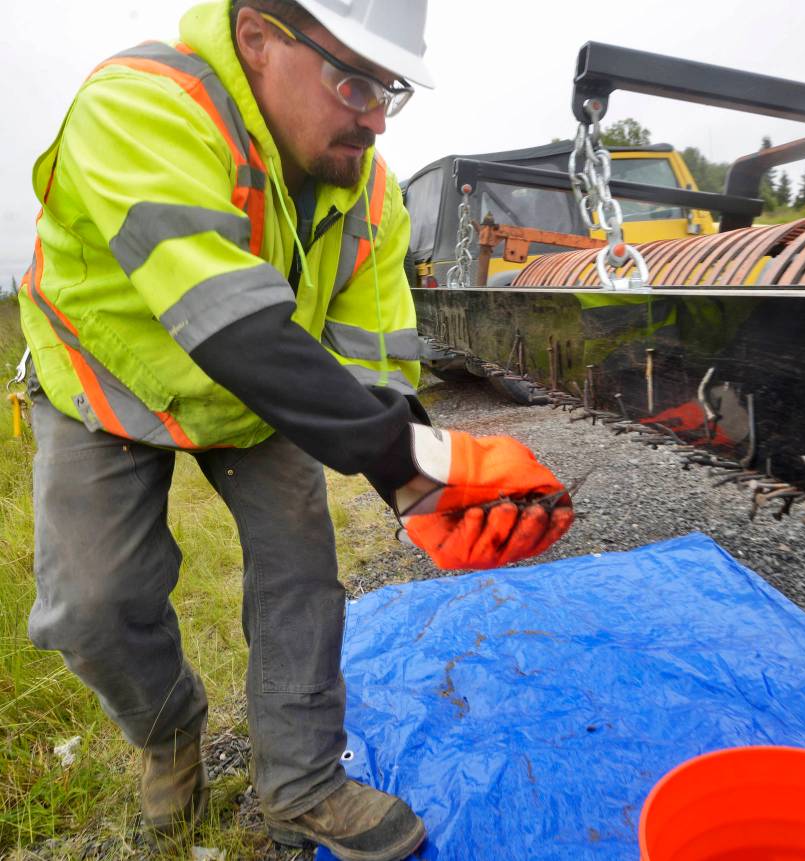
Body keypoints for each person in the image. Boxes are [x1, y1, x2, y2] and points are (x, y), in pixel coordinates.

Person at [17, 1, 573, 858]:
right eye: (353, 80)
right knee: (95, 607)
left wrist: (420, 486)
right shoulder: (140, 104)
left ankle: (301, 782)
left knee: (301, 581)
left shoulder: (369, 191)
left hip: (258, 403)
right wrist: (429, 453)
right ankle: (168, 739)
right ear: (257, 42)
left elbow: (373, 359)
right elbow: (227, 320)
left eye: (388, 89)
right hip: (107, 388)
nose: (376, 116)